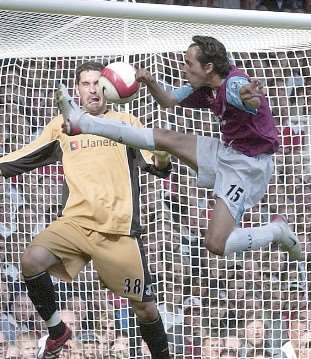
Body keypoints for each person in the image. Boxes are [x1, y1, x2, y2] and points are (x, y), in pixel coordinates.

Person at [0, 61, 186, 359]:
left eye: (98, 83)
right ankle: (57, 331)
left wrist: (163, 156)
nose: (92, 90)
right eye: (85, 84)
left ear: (109, 88)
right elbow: (19, 159)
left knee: (146, 309)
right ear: (76, 90)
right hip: (75, 223)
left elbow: (157, 163)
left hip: (117, 232)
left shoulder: (125, 123)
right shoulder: (63, 126)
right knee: (31, 260)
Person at [57, 36, 302, 262]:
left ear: (208, 67)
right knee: (166, 137)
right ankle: (82, 122)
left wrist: (250, 96)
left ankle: (275, 230)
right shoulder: (204, 85)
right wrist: (150, 82)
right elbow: (168, 101)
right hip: (226, 151)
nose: (184, 68)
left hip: (247, 167)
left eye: (188, 63)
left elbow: (244, 94)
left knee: (215, 244)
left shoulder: (234, 84)